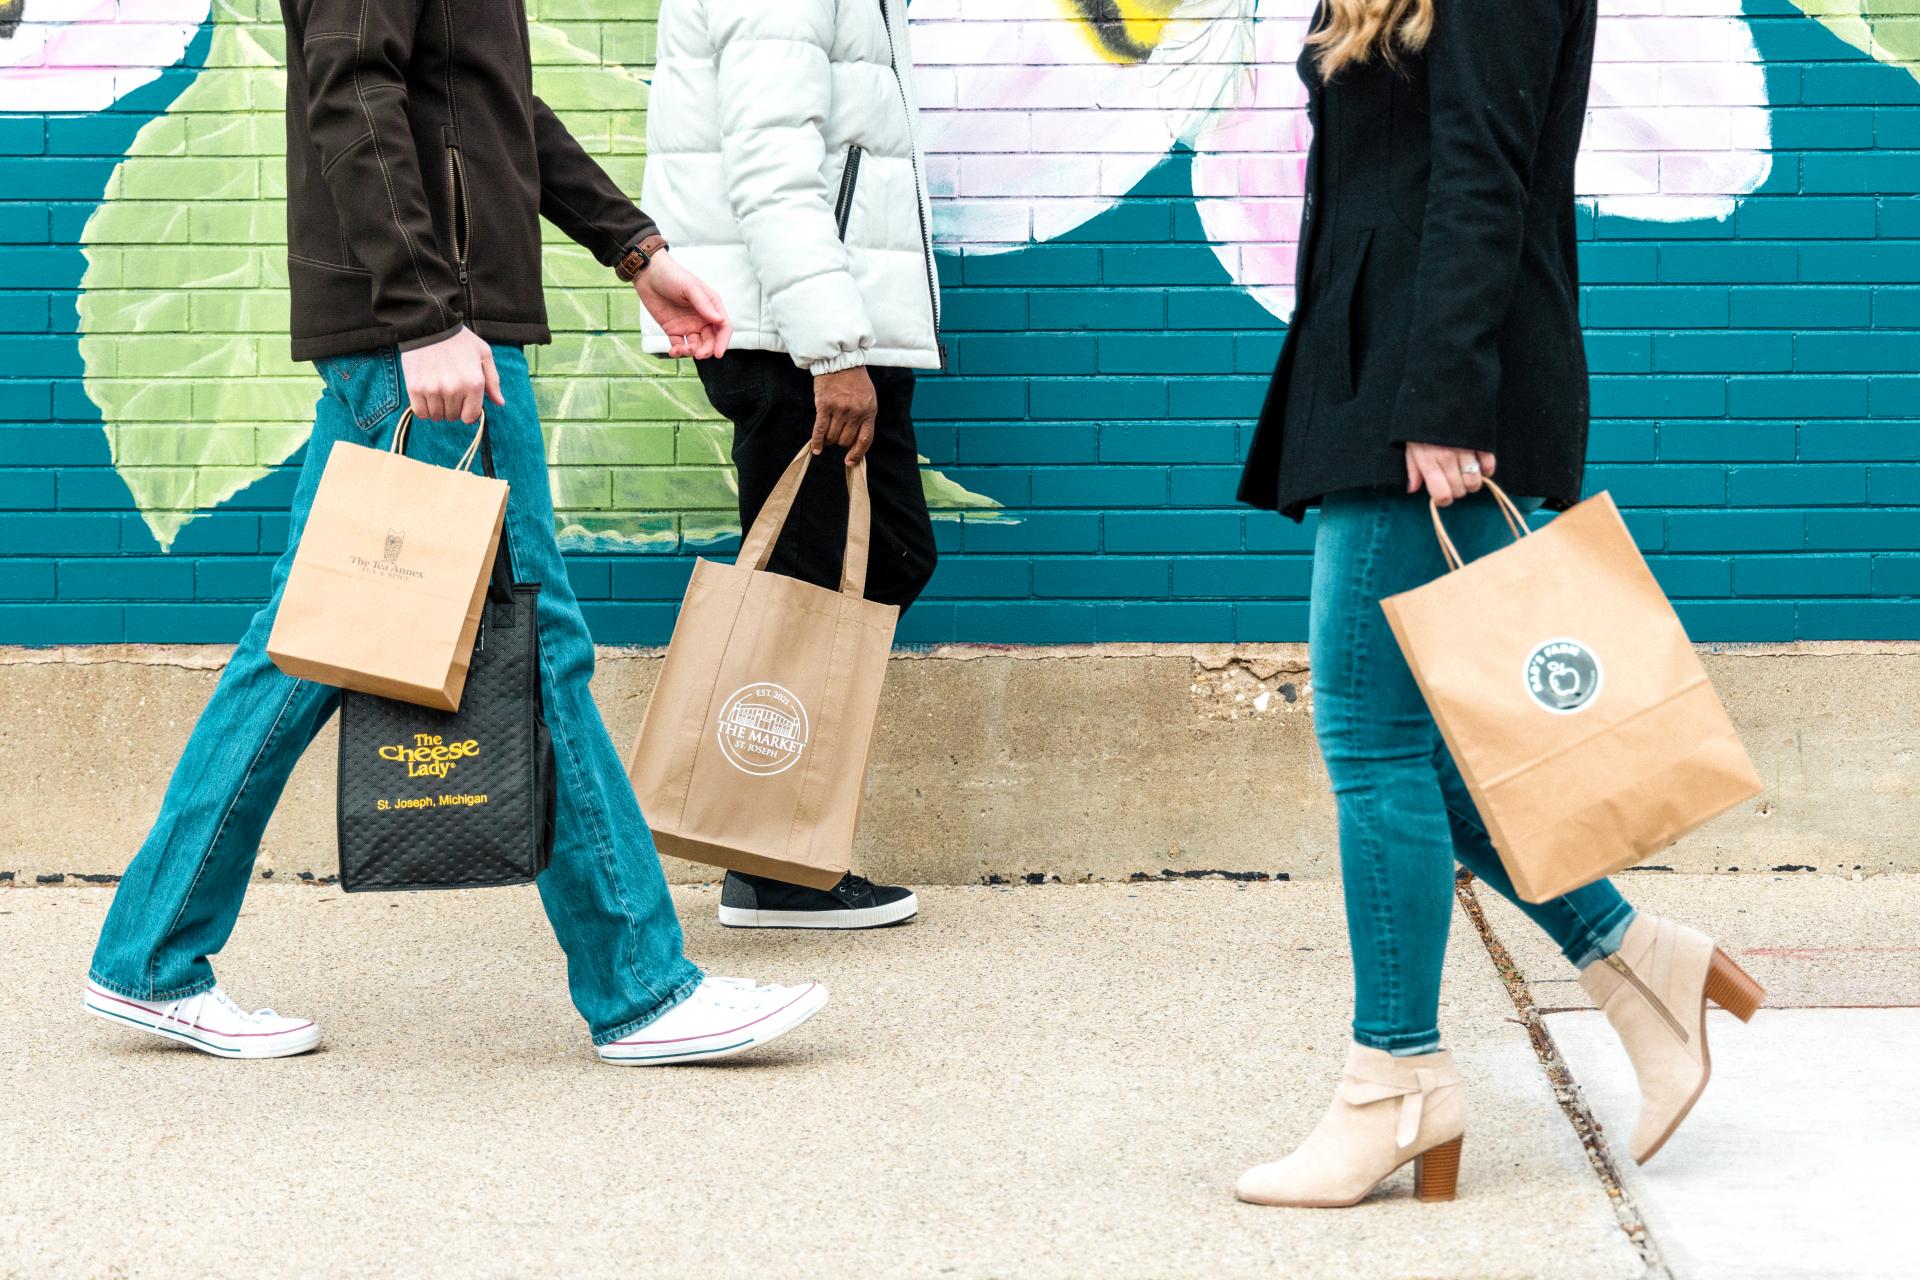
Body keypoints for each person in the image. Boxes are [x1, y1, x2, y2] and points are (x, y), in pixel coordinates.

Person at [82, 0, 829, 1065]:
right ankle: (641, 986)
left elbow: (489, 102)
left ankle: (148, 954)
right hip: (433, 348)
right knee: (538, 645)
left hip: (419, 338)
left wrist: (635, 249)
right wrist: (427, 315)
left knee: (304, 642)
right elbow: (351, 84)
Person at [1232, 0, 1765, 1206]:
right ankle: (1635, 955)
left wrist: (1446, 397)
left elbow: (1486, 165)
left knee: (1372, 745)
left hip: (1436, 387)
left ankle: (1396, 1079)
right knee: (1430, 760)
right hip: (1378, 370)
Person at [638, 0, 936, 930]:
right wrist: (833, 349)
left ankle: (770, 852)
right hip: (795, 339)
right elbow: (771, 162)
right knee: (809, 582)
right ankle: (771, 867)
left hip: (810, 327)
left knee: (868, 565)